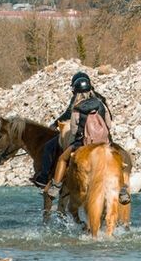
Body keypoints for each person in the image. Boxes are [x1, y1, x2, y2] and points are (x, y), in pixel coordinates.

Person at [44, 71, 131, 205]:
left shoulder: (77, 107)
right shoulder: (101, 102)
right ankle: (123, 190)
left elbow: (73, 129)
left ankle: (56, 186)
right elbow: (109, 124)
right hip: (105, 142)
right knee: (120, 161)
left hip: (84, 143)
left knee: (62, 159)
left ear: (76, 92)